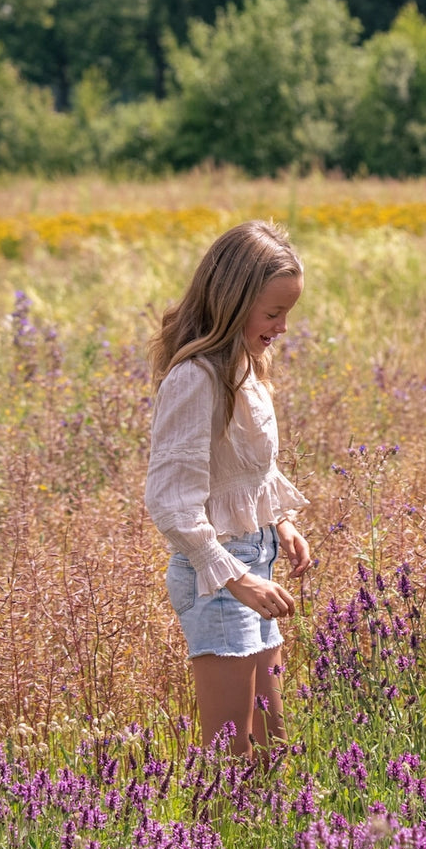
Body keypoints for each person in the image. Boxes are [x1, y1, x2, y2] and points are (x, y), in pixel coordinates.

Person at [145, 220, 313, 757]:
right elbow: (171, 504)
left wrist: (279, 521)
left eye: (288, 312)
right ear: (232, 302)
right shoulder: (196, 378)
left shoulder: (245, 364)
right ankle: (213, 842)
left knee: (270, 746)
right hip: (219, 574)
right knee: (232, 757)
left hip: (253, 557)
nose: (283, 327)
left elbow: (240, 471)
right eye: (273, 313)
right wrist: (237, 578)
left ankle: (270, 842)